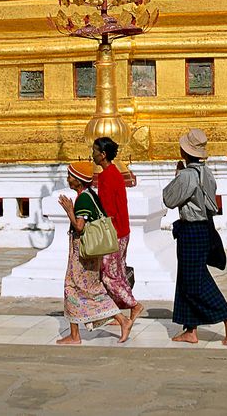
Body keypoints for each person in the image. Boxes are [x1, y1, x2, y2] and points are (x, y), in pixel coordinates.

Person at [162, 129, 227, 345]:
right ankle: (190, 330)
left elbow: (169, 199)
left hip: (192, 230)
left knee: (195, 280)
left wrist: (177, 176)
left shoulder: (187, 175)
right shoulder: (206, 172)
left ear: (185, 152)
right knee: (188, 279)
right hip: (204, 228)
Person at [56, 161, 133, 345]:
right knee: (84, 289)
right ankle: (76, 333)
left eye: (70, 176)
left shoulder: (82, 198)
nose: (68, 179)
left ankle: (121, 321)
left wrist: (69, 211)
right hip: (91, 254)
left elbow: (80, 227)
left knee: (73, 287)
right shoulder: (90, 195)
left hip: (82, 253)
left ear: (78, 180)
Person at [91, 136, 144, 324]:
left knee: (109, 276)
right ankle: (118, 312)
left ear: (103, 155)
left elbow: (108, 211)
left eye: (95, 151)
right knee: (118, 272)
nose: (92, 155)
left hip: (113, 233)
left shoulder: (106, 176)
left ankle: (133, 305)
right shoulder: (115, 173)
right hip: (122, 230)